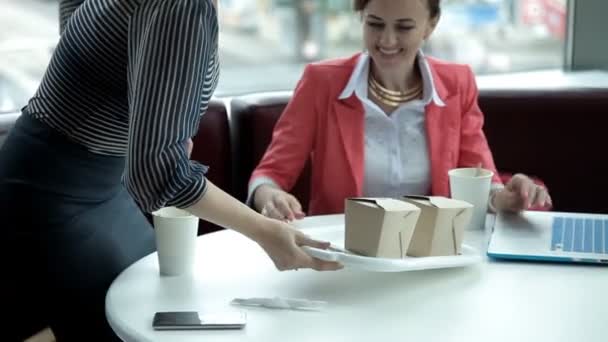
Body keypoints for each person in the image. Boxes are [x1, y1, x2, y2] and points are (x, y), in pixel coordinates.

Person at [0, 0, 340, 340]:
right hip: (52, 194)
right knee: (133, 324)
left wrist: (144, 131)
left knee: (157, 312)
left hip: (94, 180)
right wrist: (267, 234)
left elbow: (79, 29)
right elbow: (156, 173)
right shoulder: (184, 6)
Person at [249, 0, 552, 221]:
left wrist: (507, 198)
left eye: (404, 27)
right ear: (361, 17)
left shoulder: (457, 83)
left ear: (430, 26)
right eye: (375, 24)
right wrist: (271, 197)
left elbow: (480, 180)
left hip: (433, 254)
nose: (387, 40)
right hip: (343, 256)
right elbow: (269, 174)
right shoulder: (321, 82)